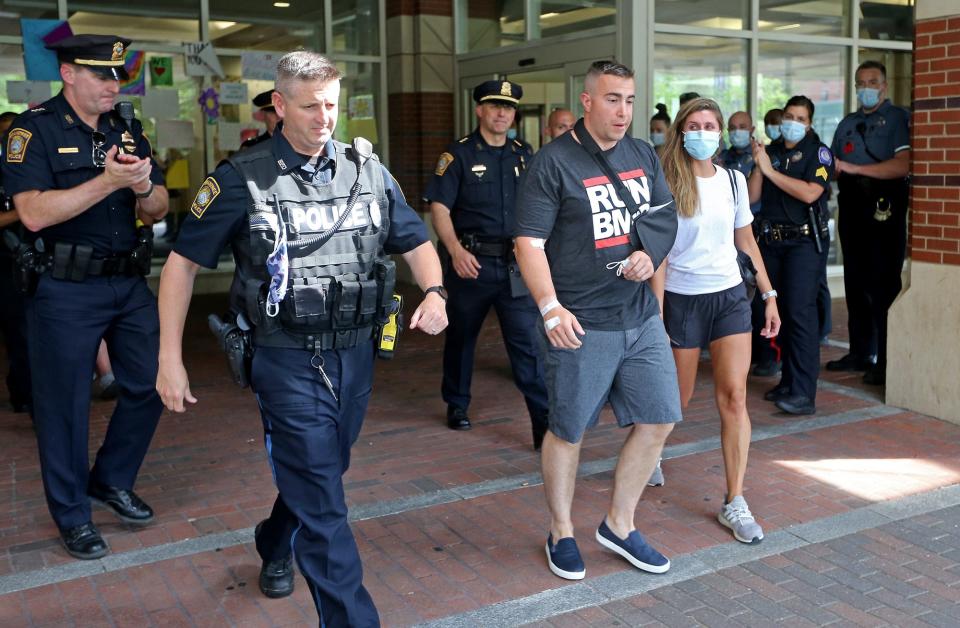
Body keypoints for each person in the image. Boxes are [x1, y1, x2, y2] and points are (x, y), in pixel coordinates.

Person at [156, 51, 446, 626]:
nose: (324, 117)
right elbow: (182, 264)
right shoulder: (241, 178)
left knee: (322, 471)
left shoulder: (366, 169)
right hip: (285, 359)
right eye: (310, 106)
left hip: (357, 354)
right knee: (324, 500)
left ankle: (274, 536)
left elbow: (414, 241)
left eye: (332, 105)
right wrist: (169, 357)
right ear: (280, 105)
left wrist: (435, 293)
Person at [2, 34, 169, 559]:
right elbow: (31, 213)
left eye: (117, 75)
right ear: (69, 74)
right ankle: (73, 516)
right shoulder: (34, 130)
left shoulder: (127, 127)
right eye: (102, 75)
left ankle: (110, 478)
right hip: (64, 290)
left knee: (148, 383)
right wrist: (107, 181)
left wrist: (142, 187)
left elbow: (159, 208)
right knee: (64, 408)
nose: (113, 85)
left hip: (127, 283)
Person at [515, 60, 680, 581]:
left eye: (629, 100)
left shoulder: (642, 154)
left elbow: (663, 218)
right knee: (567, 430)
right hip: (581, 322)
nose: (623, 111)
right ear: (587, 101)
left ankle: (619, 523)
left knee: (659, 419)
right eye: (612, 99)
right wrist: (549, 307)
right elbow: (529, 243)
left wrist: (649, 256)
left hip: (639, 316)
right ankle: (561, 531)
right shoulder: (553, 163)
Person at [652, 97, 780, 543]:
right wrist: (657, 307)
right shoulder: (666, 181)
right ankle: (650, 451)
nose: (703, 131)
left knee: (734, 397)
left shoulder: (733, 181)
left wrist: (768, 294)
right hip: (683, 302)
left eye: (710, 124)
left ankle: (735, 500)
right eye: (695, 124)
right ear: (681, 132)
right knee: (677, 400)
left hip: (728, 298)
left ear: (720, 133)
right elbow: (660, 254)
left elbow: (745, 238)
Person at [425, 79, 549, 446]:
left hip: (515, 266)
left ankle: (542, 421)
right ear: (480, 109)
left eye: (508, 108)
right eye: (495, 106)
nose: (502, 113)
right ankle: (457, 403)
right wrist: (455, 250)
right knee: (462, 337)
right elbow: (439, 207)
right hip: (471, 264)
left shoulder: (524, 153)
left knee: (527, 344)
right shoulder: (458, 154)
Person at [749, 95, 833, 415]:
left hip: (803, 245)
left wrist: (769, 172)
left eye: (800, 118)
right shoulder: (771, 152)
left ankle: (803, 392)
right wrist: (760, 163)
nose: (792, 123)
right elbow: (753, 196)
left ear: (809, 123)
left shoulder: (819, 152)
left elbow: (811, 192)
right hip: (772, 243)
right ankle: (787, 380)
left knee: (800, 314)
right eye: (789, 116)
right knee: (777, 311)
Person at [828, 60, 910, 386]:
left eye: (872, 82)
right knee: (855, 282)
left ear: (884, 86)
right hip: (851, 206)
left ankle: (885, 361)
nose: (866, 87)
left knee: (882, 284)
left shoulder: (897, 119)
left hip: (883, 206)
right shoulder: (847, 123)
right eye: (861, 82)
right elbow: (833, 163)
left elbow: (902, 165)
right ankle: (860, 351)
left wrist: (855, 170)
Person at [0, 110, 33, 414]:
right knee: (17, 331)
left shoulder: (32, 168)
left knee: (30, 331)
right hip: (5, 263)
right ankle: (23, 393)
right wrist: (28, 210)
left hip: (34, 261)